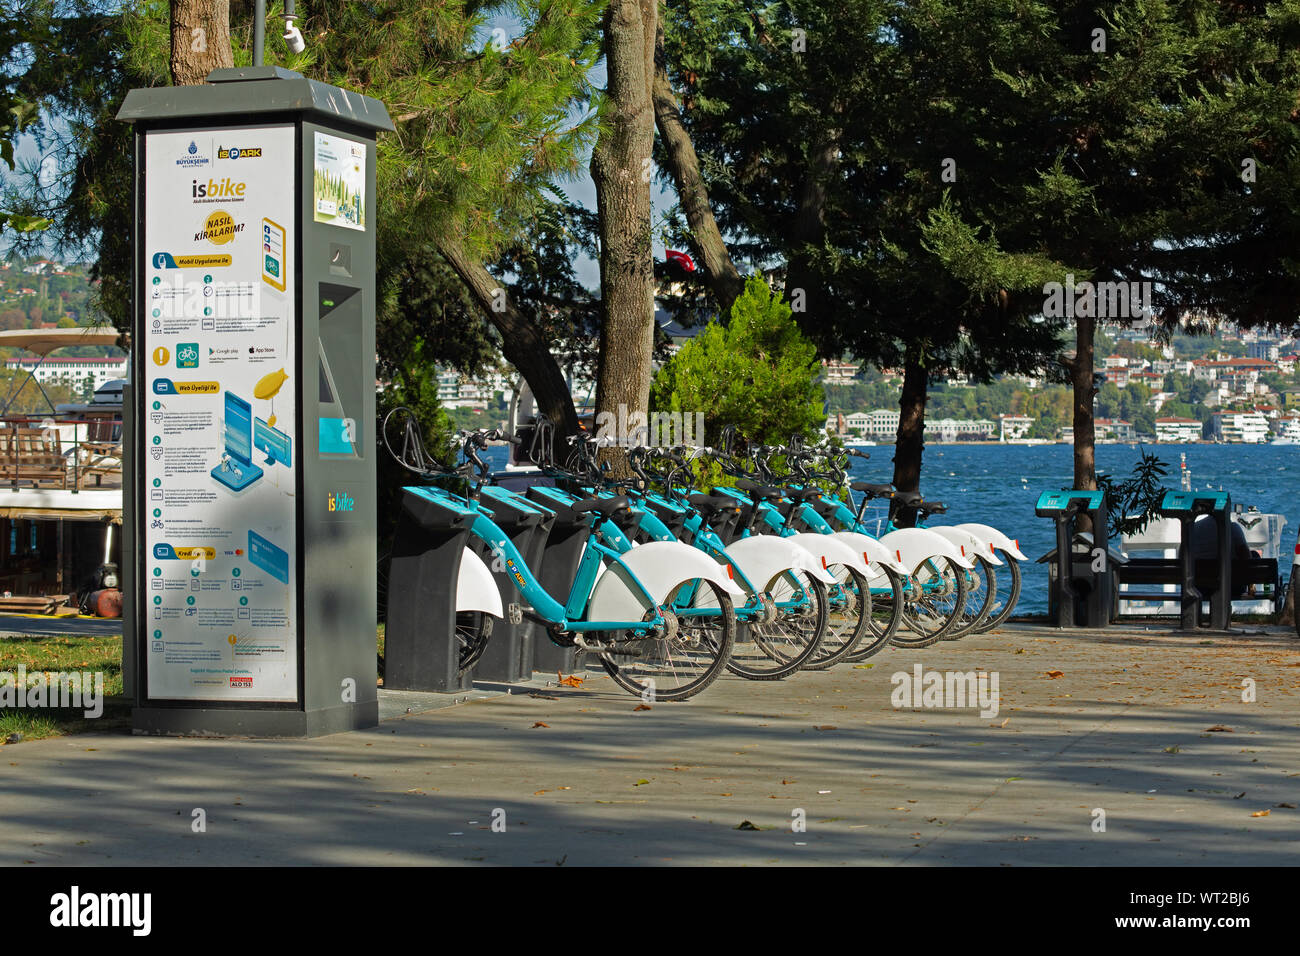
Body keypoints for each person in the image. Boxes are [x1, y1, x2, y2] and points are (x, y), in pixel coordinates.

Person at [1188, 515, 1255, 598]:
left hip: (1198, 588)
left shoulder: (1193, 528)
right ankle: (1252, 590)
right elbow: (1246, 557)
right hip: (1231, 588)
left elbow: (1182, 556)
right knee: (1254, 555)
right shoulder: (1232, 528)